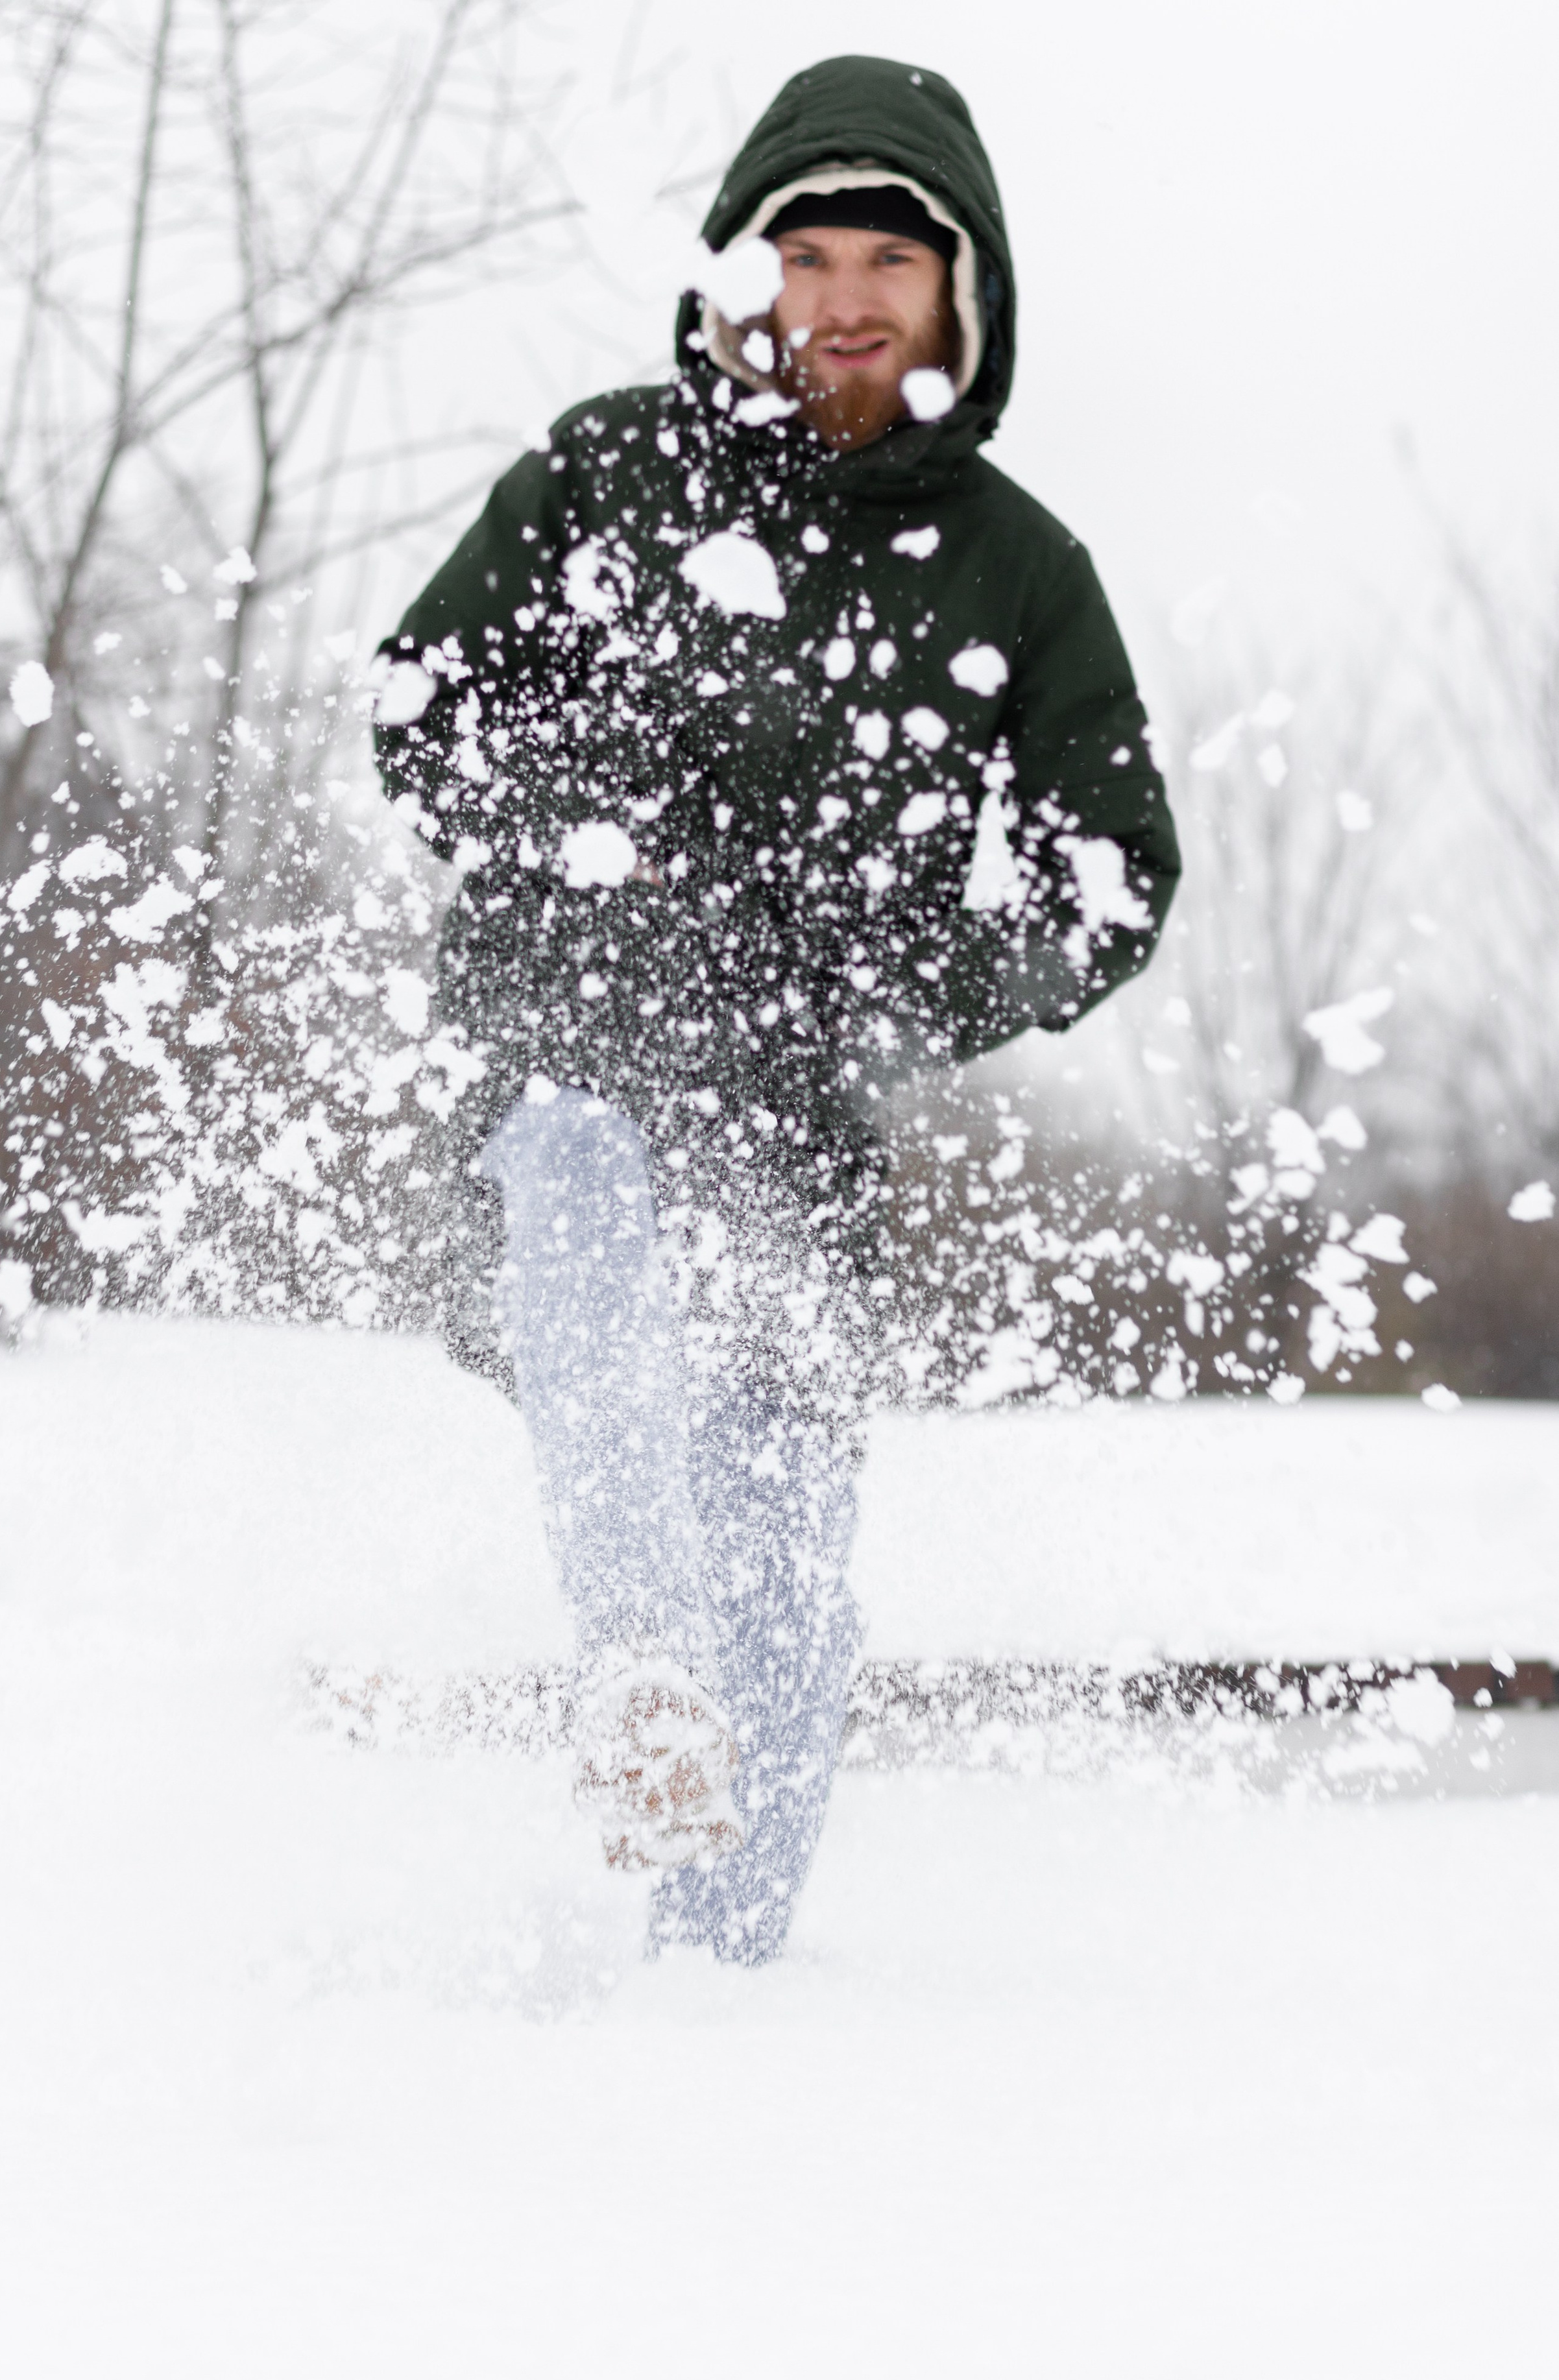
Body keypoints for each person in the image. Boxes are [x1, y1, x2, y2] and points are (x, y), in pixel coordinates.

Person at [372, 54, 1180, 1964]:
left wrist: (903, 974)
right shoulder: (604, 472)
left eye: (886, 263)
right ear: (743, 273)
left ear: (959, 297)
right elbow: (429, 700)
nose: (840, 300)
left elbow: (1108, 869)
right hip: (557, 1073)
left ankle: (716, 1983)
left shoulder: (1015, 564)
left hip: (794, 1134)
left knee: (789, 1577)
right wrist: (569, 843)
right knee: (602, 1278)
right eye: (804, 254)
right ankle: (641, 1674)